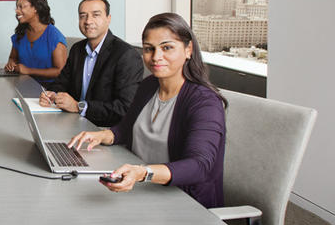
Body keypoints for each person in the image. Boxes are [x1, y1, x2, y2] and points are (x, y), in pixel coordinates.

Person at [67, 13, 227, 208]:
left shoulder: (205, 103)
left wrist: (143, 173)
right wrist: (100, 136)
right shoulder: (149, 86)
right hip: (141, 190)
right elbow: (126, 129)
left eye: (167, 47)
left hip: (183, 202)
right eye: (149, 49)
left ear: (188, 50)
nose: (156, 57)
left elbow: (199, 166)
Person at [39, 0, 143, 127]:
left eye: (96, 15)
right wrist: (51, 95)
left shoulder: (126, 55)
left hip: (104, 130)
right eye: (83, 16)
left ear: (108, 19)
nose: (88, 21)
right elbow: (61, 83)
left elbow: (124, 108)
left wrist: (79, 106)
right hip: (73, 122)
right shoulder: (77, 49)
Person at [4, 0, 67, 81]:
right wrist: (11, 62)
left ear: (36, 8)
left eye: (21, 7)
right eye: (17, 7)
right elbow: (13, 57)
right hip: (23, 84)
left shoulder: (54, 36)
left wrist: (28, 71)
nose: (17, 11)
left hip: (48, 90)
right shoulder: (21, 33)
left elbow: (60, 71)